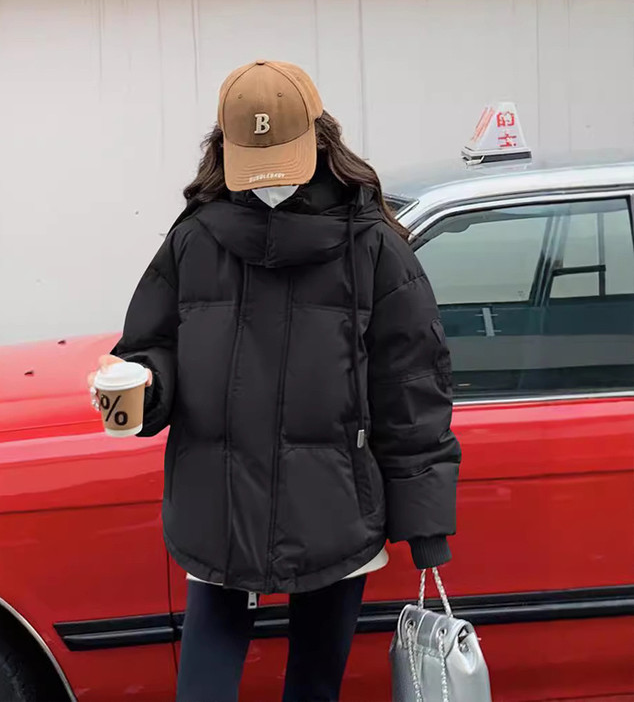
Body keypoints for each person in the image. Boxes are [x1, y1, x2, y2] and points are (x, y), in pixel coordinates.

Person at [88, 60, 461, 702]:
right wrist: (142, 386)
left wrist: (425, 523)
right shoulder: (194, 240)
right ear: (224, 148)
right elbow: (155, 346)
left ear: (320, 137)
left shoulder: (373, 247)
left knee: (313, 689)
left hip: (333, 511)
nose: (271, 183)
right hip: (219, 510)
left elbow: (411, 386)